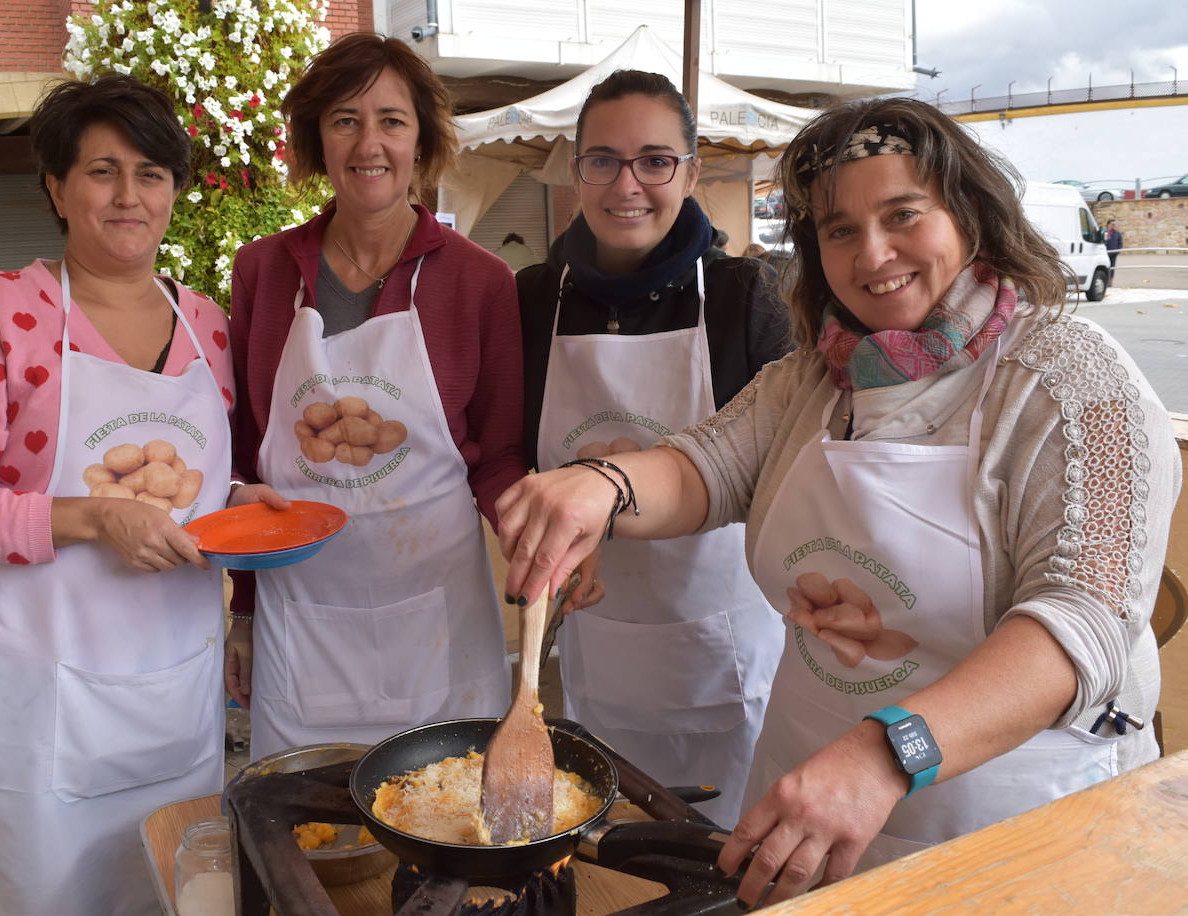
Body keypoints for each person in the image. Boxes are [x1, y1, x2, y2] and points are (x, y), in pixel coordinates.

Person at [496, 97, 1176, 907]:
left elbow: (1083, 623)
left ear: (969, 213)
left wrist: (887, 753)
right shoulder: (816, 377)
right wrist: (603, 487)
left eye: (902, 215)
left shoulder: (1073, 381)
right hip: (805, 786)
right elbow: (704, 468)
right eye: (840, 229)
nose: (874, 253)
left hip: (1007, 814)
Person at [0, 75, 234, 915]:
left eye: (151, 172)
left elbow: (203, 489)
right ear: (56, 186)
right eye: (102, 171)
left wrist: (246, 500)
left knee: (177, 886)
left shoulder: (208, 325)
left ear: (175, 189)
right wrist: (91, 517)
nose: (130, 196)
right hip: (34, 698)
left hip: (174, 688)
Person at [226, 33, 537, 758]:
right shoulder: (264, 272)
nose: (370, 143)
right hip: (300, 620)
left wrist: (536, 542)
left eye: (392, 120)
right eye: (345, 119)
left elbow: (498, 456)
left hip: (439, 620)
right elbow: (249, 458)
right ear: (317, 140)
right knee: (307, 834)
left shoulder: (479, 281)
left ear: (422, 142)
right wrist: (242, 611)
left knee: (450, 816)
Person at [515, 69, 791, 825]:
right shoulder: (536, 298)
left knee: (731, 861)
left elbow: (788, 463)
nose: (626, 184)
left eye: (654, 161)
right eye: (601, 160)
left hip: (725, 647)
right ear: (576, 174)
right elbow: (508, 455)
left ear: (692, 172)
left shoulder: (744, 298)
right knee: (612, 851)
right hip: (601, 642)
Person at [1104, 218, 1123, 282]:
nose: (1114, 226)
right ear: (1108, 225)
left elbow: (1120, 243)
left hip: (1114, 253)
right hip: (1105, 253)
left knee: (1112, 267)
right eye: (1112, 224)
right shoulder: (1104, 233)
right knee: (1105, 267)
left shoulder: (1117, 233)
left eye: (1115, 224)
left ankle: (1110, 281)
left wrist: (1118, 251)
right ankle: (1105, 280)